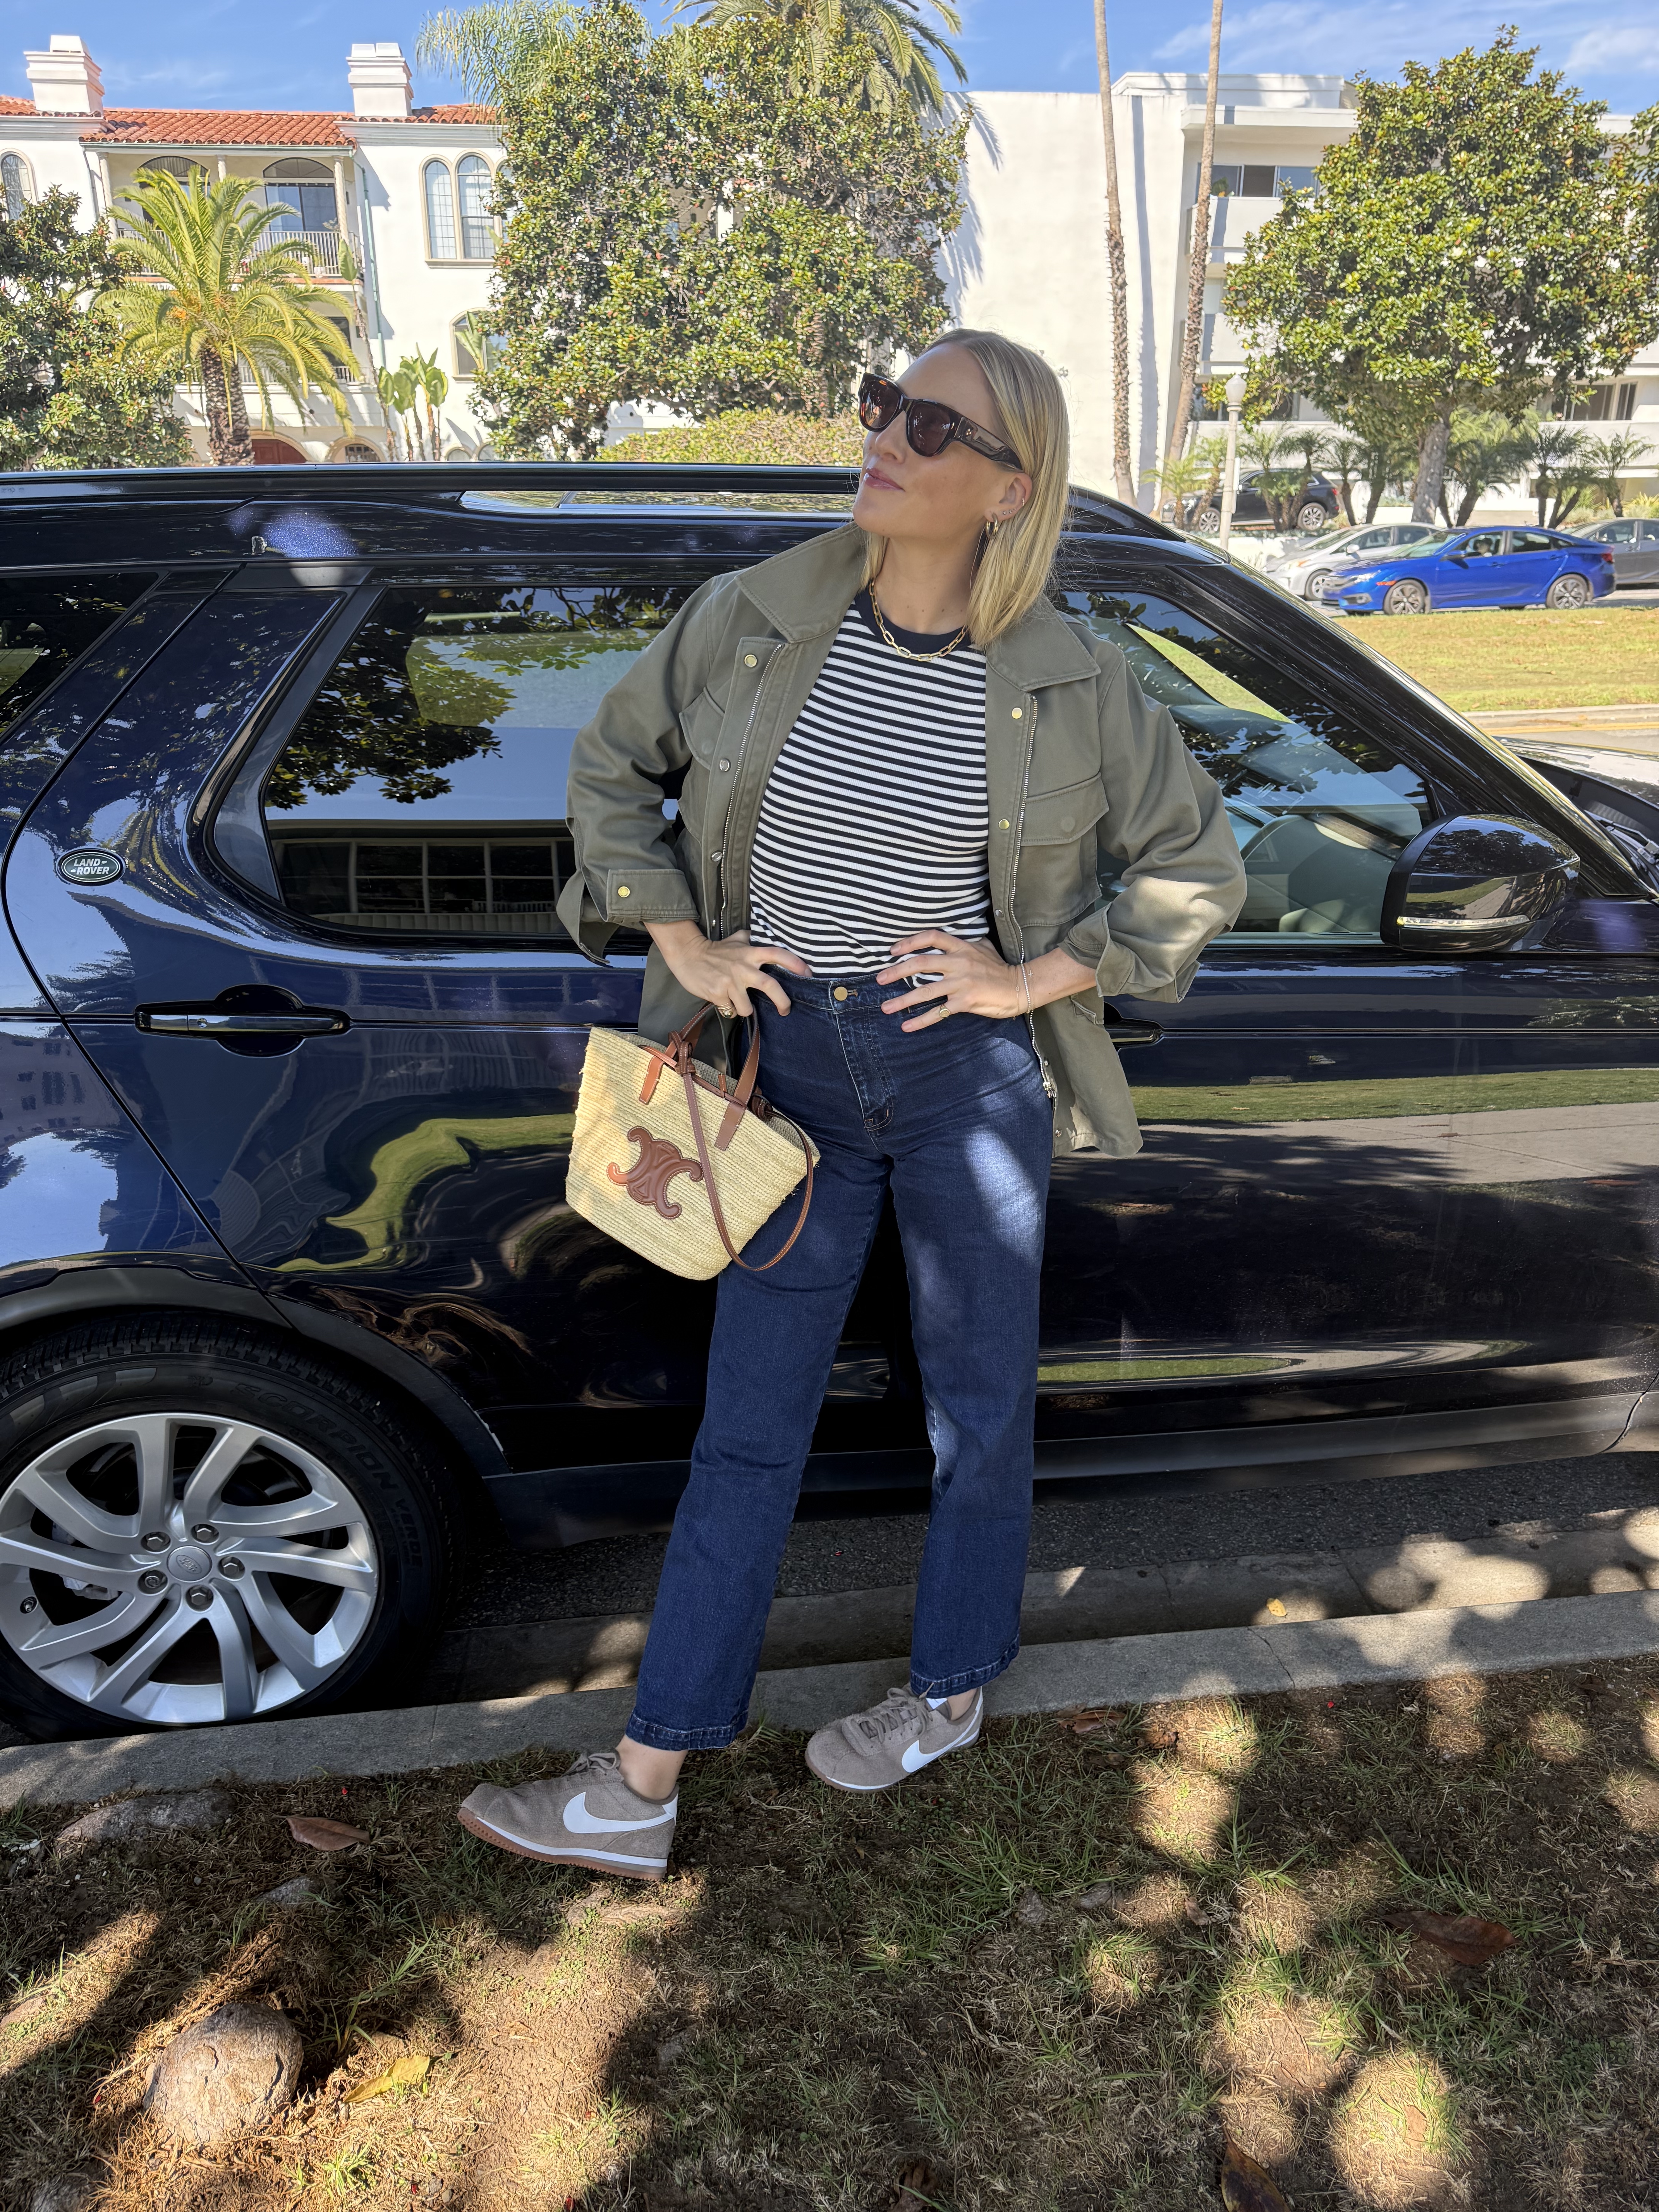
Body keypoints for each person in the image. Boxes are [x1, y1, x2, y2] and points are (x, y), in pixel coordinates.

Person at [458, 329, 1246, 1879]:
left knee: (978, 1415)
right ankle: (642, 1776)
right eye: (886, 404)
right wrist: (680, 933)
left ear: (1011, 486)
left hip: (959, 1074)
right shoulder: (753, 617)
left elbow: (1197, 867)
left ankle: (946, 1691)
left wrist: (1030, 981)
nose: (881, 433)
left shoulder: (1077, 681)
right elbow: (615, 770)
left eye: (931, 424)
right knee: (750, 1432)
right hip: (785, 1074)